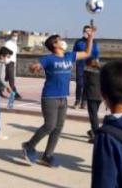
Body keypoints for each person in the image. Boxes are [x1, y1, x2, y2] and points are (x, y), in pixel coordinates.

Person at [22, 28, 95, 167]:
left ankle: (47, 155)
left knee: (58, 127)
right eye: (60, 40)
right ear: (55, 45)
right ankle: (29, 145)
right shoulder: (48, 58)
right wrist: (34, 67)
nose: (63, 42)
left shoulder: (69, 56)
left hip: (63, 97)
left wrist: (90, 38)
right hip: (50, 96)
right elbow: (36, 65)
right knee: (49, 125)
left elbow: (87, 53)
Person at [72, 25, 100, 109]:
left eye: (89, 31)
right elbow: (74, 53)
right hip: (80, 64)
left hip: (90, 65)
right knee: (80, 83)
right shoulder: (78, 42)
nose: (87, 33)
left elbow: (96, 54)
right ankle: (77, 100)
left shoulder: (94, 42)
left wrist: (96, 63)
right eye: (85, 31)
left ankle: (84, 101)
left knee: (87, 84)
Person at [84, 57, 102, 143]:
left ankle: (96, 135)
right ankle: (93, 130)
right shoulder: (102, 71)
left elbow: (84, 85)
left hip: (91, 95)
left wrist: (83, 98)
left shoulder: (87, 71)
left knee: (93, 116)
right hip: (100, 96)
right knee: (95, 114)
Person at [4, 30, 22, 99]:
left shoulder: (15, 44)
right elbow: (5, 53)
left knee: (5, 78)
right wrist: (6, 62)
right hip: (8, 62)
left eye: (16, 36)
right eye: (14, 35)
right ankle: (14, 93)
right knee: (11, 78)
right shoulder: (8, 43)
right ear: (11, 36)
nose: (15, 37)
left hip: (13, 62)